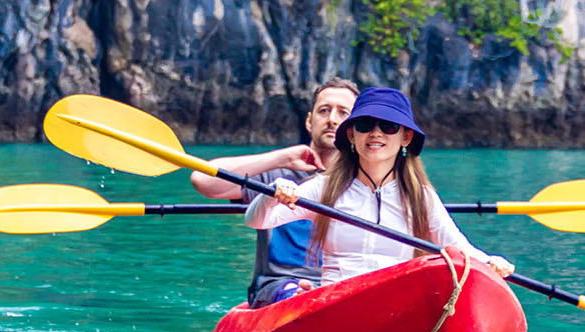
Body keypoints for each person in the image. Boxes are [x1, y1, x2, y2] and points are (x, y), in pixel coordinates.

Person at [246, 86, 513, 290]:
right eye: (364, 125)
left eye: (388, 126)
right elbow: (258, 220)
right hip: (336, 301)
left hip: (395, 301)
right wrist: (274, 193)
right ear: (352, 135)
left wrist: (490, 261)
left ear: (405, 137)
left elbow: (459, 249)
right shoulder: (325, 189)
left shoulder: (421, 197)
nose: (375, 133)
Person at [191, 78, 359, 306]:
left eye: (343, 113)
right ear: (309, 122)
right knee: (291, 291)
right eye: (324, 110)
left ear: (355, 127)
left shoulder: (364, 183)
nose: (332, 119)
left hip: (341, 286)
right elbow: (203, 181)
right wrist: (284, 158)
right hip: (279, 287)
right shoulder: (274, 175)